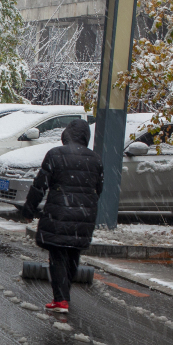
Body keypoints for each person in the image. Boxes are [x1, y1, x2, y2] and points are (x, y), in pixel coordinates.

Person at [20, 119, 104, 313]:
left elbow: (39, 185)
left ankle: (61, 300)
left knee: (58, 254)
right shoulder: (95, 159)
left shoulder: (55, 155)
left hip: (59, 212)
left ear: (66, 134)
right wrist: (84, 205)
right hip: (84, 215)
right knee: (73, 253)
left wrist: (29, 210)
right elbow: (98, 189)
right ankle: (64, 297)